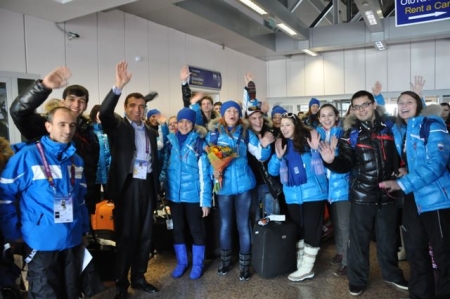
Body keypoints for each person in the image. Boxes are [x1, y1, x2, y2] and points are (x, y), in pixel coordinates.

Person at [318, 90, 408, 296]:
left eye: (365, 105)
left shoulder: (391, 127)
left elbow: (405, 151)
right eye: (357, 107)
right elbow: (346, 164)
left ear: (373, 104)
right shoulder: (350, 134)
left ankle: (392, 274)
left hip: (389, 194)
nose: (361, 110)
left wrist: (405, 167)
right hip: (361, 196)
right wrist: (331, 161)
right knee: (358, 241)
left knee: (388, 239)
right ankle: (357, 279)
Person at [0, 107, 89, 299]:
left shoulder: (77, 161)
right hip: (41, 241)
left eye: (72, 125)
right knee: (45, 294)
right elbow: (5, 196)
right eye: (62, 124)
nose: (67, 130)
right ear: (48, 126)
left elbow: (80, 199)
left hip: (72, 240)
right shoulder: (27, 157)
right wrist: (13, 233)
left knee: (71, 292)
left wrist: (83, 231)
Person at [379, 91, 450, 299]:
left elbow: (436, 165)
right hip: (412, 197)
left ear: (419, 105)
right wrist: (405, 171)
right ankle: (420, 294)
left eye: (409, 102)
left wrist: (401, 182)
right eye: (400, 103)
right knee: (416, 251)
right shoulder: (403, 130)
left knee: (443, 253)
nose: (403, 105)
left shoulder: (433, 125)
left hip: (436, 199)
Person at [99, 61, 160, 299]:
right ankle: (121, 284)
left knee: (146, 235)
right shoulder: (117, 127)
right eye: (133, 105)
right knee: (126, 237)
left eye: (141, 106)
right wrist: (118, 85)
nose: (137, 109)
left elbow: (155, 163)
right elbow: (104, 113)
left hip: (147, 185)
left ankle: (140, 277)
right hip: (127, 187)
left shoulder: (151, 132)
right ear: (125, 107)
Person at [9, 69, 100, 214]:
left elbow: (91, 170)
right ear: (63, 101)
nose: (76, 104)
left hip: (79, 203)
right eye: (72, 99)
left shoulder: (89, 132)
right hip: (45, 206)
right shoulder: (46, 126)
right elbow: (18, 112)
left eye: (81, 101)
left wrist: (90, 203)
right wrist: (42, 87)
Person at [207, 100, 272, 281]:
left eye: (235, 110)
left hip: (244, 185)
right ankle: (225, 262)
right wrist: (213, 172)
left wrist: (265, 145)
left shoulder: (246, 133)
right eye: (229, 110)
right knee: (226, 225)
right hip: (223, 187)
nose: (232, 113)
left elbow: (260, 155)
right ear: (223, 114)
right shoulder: (213, 133)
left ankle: (245, 266)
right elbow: (207, 160)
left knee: (243, 225)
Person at [268, 112, 328, 282]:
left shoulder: (309, 141)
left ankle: (307, 268)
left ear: (296, 126)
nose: (284, 128)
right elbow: (273, 171)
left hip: (313, 193)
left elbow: (325, 161)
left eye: (288, 124)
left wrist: (316, 148)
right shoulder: (281, 145)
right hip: (292, 195)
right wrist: (278, 158)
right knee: (299, 230)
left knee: (311, 229)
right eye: (282, 125)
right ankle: (302, 263)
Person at [160, 107, 212, 280]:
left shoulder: (199, 143)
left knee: (196, 230)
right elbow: (165, 168)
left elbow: (205, 174)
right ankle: (182, 262)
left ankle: (197, 264)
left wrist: (205, 201)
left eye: (188, 122)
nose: (184, 125)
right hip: (174, 196)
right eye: (181, 121)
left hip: (193, 196)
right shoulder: (170, 142)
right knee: (178, 230)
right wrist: (162, 190)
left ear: (193, 124)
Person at [310, 104, 350, 277]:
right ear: (318, 118)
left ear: (336, 116)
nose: (327, 119)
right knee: (335, 222)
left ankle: (349, 261)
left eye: (330, 115)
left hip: (342, 187)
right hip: (325, 188)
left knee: (344, 224)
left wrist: (335, 154)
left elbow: (348, 162)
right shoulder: (315, 135)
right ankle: (341, 252)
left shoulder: (343, 135)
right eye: (323, 115)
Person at [245, 105, 279, 225]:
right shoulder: (244, 136)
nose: (258, 121)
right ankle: (258, 243)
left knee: (273, 217)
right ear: (248, 120)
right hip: (250, 184)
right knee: (254, 218)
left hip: (268, 182)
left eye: (260, 117)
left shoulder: (270, 134)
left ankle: (274, 242)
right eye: (253, 118)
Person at [89, 105, 111, 198]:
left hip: (109, 172)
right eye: (100, 114)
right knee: (94, 200)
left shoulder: (110, 130)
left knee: (110, 200)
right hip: (94, 172)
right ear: (94, 115)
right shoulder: (89, 131)